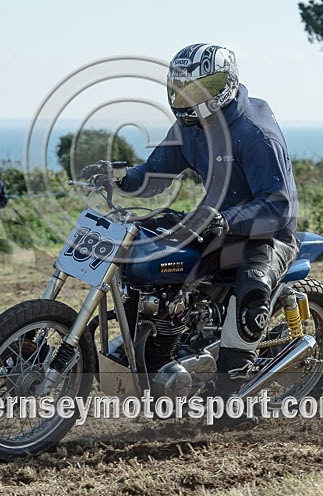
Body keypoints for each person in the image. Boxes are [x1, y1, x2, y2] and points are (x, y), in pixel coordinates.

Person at [80, 43, 299, 399]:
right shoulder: (191, 129)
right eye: (182, 87)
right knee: (144, 257)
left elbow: (279, 205)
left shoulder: (255, 133)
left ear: (226, 84)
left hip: (266, 233)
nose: (189, 97)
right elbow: (154, 174)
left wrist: (227, 219)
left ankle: (232, 399)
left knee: (251, 296)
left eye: (201, 88)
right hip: (212, 222)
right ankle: (161, 345)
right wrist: (118, 177)